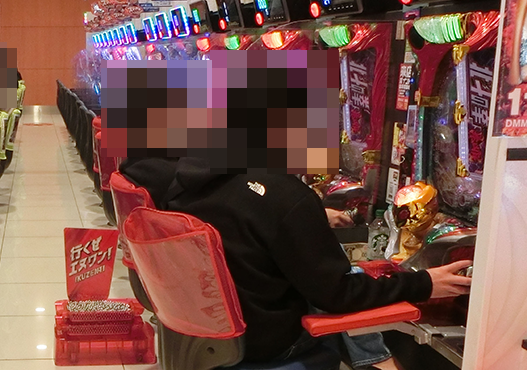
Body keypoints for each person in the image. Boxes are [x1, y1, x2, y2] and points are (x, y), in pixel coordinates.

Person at [123, 157, 471, 367]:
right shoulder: (288, 198)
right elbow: (338, 295)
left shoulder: (188, 176)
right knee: (345, 284)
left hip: (202, 332)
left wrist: (310, 219)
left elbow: (247, 215)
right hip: (265, 343)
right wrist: (424, 283)